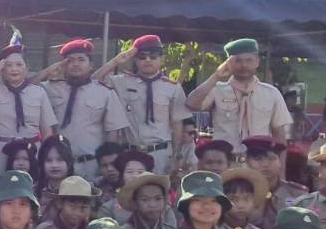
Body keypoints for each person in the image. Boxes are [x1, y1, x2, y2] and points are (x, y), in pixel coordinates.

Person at [35, 39, 132, 180]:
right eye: (70, 60)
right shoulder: (50, 88)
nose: (75, 64)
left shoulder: (104, 92)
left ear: (91, 65)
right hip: (59, 164)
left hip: (91, 164)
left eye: (81, 59)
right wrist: (48, 71)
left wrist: (108, 165)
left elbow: (112, 132)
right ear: (63, 65)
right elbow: (25, 88)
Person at [96, 35, 186, 173]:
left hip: (161, 153)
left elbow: (177, 125)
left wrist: (176, 156)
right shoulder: (122, 82)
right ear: (135, 60)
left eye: (153, 57)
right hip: (130, 152)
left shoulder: (172, 87)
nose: (147, 60)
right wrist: (116, 61)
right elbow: (94, 82)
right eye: (142, 57)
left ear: (162, 59)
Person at [0, 42, 56, 173]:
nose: (14, 69)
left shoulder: (38, 92)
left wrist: (46, 157)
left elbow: (47, 131)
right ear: (2, 69)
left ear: (27, 69)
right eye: (9, 65)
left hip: (31, 152)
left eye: (19, 64)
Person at [186, 38, 293, 146]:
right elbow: (191, 104)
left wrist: (280, 157)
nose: (244, 65)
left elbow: (279, 135)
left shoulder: (271, 93)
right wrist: (216, 76)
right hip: (225, 155)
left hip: (259, 155)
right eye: (238, 60)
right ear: (228, 63)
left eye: (249, 60)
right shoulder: (217, 90)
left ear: (257, 62)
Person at [241, 137, 307, 229]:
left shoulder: (297, 194)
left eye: (272, 158)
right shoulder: (239, 193)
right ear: (247, 161)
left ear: (280, 162)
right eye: (258, 159)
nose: (265, 164)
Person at [33, 135, 77, 212]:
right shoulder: (35, 191)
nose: (54, 165)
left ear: (69, 162)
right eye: (49, 160)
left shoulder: (80, 189)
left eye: (60, 160)